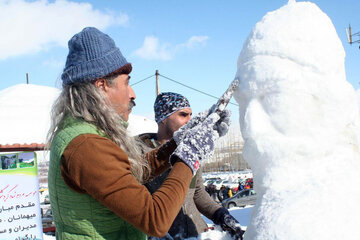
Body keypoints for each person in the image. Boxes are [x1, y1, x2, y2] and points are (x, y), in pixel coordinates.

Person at [46, 27, 231, 239]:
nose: (132, 93)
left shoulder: (81, 133)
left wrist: (181, 141)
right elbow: (155, 220)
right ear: (102, 86)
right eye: (127, 82)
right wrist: (189, 154)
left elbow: (134, 171)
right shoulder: (87, 144)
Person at [140, 92, 244, 240]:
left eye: (191, 115)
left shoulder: (190, 149)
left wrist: (222, 216)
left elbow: (197, 194)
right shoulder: (138, 153)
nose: (190, 120)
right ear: (162, 118)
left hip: (196, 233)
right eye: (183, 115)